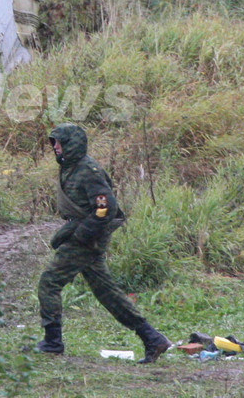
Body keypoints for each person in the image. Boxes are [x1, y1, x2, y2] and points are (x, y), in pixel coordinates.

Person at [36, 123, 172, 364]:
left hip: (87, 238)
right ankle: (152, 338)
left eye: (58, 142)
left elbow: (105, 209)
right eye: (53, 142)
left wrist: (81, 235)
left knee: (49, 282)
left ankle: (52, 343)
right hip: (85, 235)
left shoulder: (88, 170)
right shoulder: (71, 167)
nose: (55, 147)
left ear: (71, 143)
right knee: (107, 292)